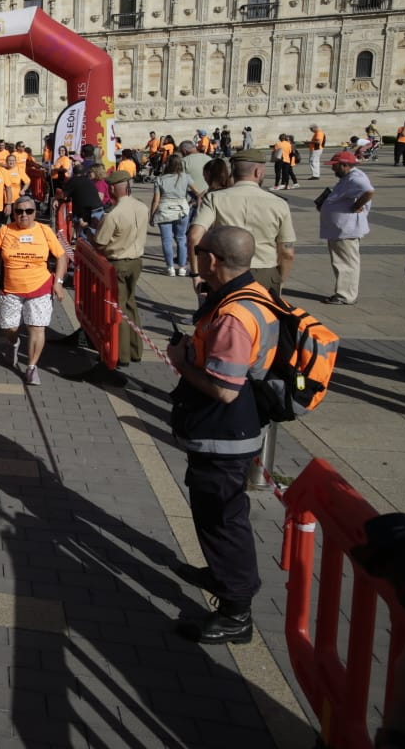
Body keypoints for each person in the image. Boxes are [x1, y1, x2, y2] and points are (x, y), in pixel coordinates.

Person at [166, 226, 273, 645]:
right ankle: (222, 575)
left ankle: (235, 611)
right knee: (216, 517)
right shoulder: (247, 295)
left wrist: (180, 362)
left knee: (223, 521)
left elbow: (224, 389)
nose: (196, 256)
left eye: (200, 251)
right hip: (227, 431)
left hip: (224, 433)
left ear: (212, 259)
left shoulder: (234, 316)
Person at [188, 149, 295, 299]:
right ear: (258, 172)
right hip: (265, 272)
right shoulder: (279, 203)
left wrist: (196, 273)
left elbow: (194, 236)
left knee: (225, 319)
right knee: (262, 320)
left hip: (225, 273)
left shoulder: (214, 198)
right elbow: (287, 252)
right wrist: (279, 279)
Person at [0, 196, 66, 386]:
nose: (24, 215)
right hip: (10, 289)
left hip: (40, 286)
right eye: (19, 211)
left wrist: (58, 282)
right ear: (13, 213)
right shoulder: (5, 231)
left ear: (35, 213)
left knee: (36, 327)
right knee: (9, 328)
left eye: (29, 211)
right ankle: (13, 343)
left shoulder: (44, 230)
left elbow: (62, 257)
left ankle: (32, 367)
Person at [93, 171, 149, 366]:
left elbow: (100, 242)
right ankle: (136, 350)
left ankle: (122, 354)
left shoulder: (113, 214)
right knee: (131, 305)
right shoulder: (142, 207)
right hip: (137, 261)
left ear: (111, 189)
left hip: (118, 262)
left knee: (119, 308)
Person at [317, 150, 375, 306]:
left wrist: (358, 205)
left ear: (344, 165)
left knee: (346, 263)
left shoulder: (355, 177)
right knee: (342, 262)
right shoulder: (349, 177)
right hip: (340, 229)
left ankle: (345, 295)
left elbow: (369, 191)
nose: (333, 169)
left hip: (346, 229)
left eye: (335, 166)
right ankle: (345, 293)